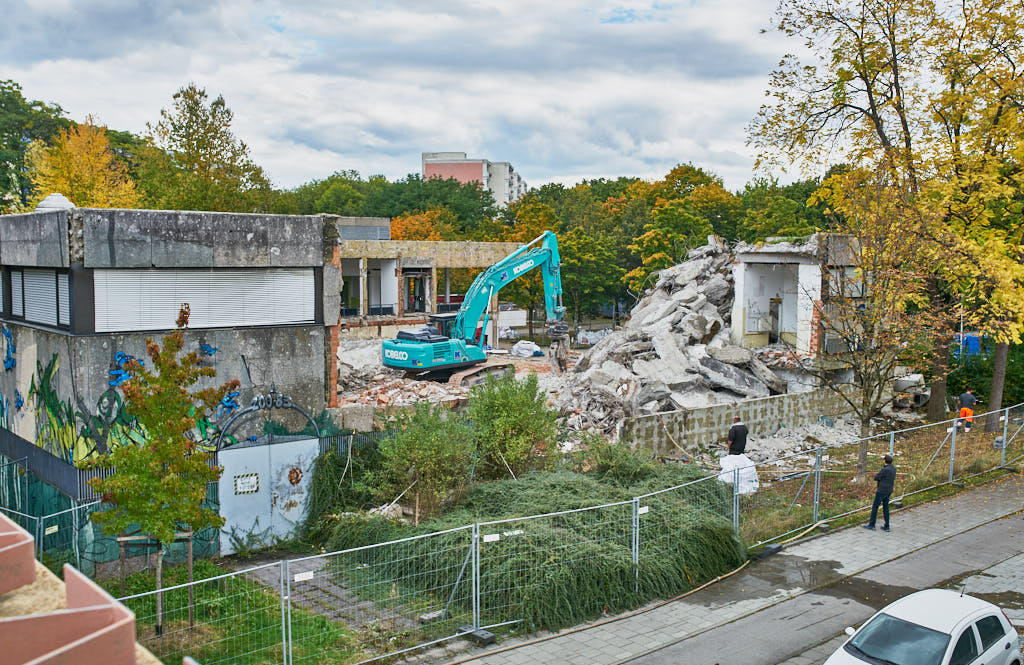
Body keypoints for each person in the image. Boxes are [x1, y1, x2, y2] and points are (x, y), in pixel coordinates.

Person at [865, 455, 895, 532]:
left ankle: (872, 524)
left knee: (875, 507)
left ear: (884, 461)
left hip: (881, 490)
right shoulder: (893, 468)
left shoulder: (885, 470)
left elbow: (876, 477)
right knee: (886, 507)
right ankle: (887, 526)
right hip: (889, 490)